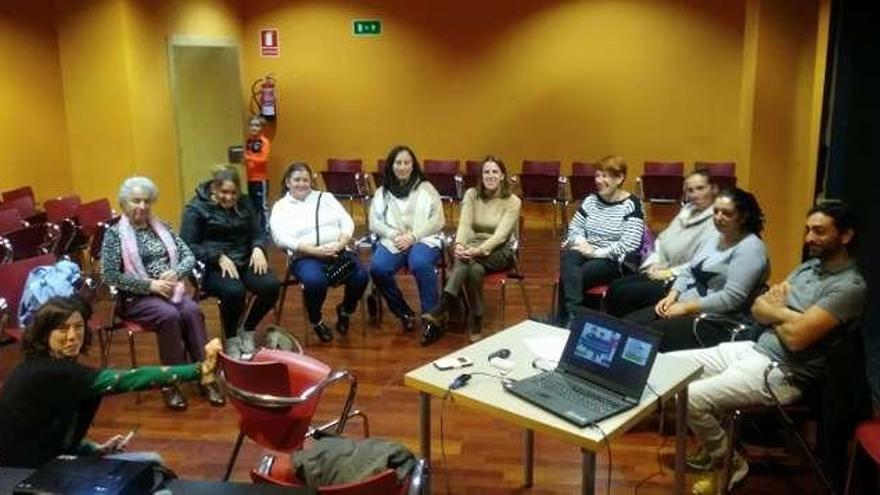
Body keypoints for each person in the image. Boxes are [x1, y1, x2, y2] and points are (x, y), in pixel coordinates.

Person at [673, 202, 865, 494]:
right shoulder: (808, 267)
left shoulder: (849, 288)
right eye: (808, 230)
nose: (809, 238)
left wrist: (778, 312)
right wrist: (791, 316)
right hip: (753, 348)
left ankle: (730, 464)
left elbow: (797, 339)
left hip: (784, 372)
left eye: (819, 231)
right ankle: (718, 445)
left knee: (691, 399)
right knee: (669, 369)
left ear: (846, 236)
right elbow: (758, 307)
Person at [0, 296, 222, 468]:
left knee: (152, 460)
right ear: (44, 334)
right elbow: (126, 380)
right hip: (30, 474)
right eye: (61, 329)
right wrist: (200, 369)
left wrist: (94, 448)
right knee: (153, 469)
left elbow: (50, 430)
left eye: (77, 327)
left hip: (49, 459)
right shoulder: (48, 372)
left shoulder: (49, 367)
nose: (71, 336)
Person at [101, 176, 223, 410]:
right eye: (136, 201)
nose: (142, 207)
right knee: (169, 316)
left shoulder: (162, 227)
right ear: (124, 203)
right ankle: (170, 382)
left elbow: (188, 256)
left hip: (171, 292)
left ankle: (205, 374)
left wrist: (176, 272)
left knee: (192, 311)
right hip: (136, 298)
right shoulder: (114, 235)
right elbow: (109, 276)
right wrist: (150, 285)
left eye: (147, 201)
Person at [624, 187, 769, 351]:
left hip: (715, 319)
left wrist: (685, 307)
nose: (718, 217)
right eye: (716, 211)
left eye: (727, 213)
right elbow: (689, 269)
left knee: (644, 338)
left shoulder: (751, 248)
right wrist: (672, 296)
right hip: (684, 305)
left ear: (743, 217)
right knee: (626, 326)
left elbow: (731, 298)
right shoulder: (716, 235)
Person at [180, 165, 281, 359]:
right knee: (234, 291)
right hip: (210, 266)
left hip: (243, 259)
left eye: (234, 192)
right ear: (214, 189)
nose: (230, 197)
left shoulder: (244, 203)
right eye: (224, 192)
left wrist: (258, 247)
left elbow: (258, 232)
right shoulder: (195, 209)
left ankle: (248, 329)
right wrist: (217, 255)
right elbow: (187, 245)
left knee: (271, 286)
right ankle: (232, 337)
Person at [421, 156, 522, 344]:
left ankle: (443, 305)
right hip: (473, 249)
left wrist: (477, 251)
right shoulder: (471, 194)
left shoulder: (513, 201)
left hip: (501, 251)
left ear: (502, 176)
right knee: (474, 269)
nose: (490, 176)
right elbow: (465, 225)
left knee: (469, 261)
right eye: (486, 172)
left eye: (494, 172)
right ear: (481, 176)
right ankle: (476, 317)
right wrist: (460, 245)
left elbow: (500, 236)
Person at [271, 162, 369, 342]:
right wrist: (313, 250)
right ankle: (316, 320)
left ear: (311, 181)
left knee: (361, 276)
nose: (302, 184)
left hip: (336, 250)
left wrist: (341, 243)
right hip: (305, 256)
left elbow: (347, 221)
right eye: (297, 180)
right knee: (316, 282)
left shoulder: (326, 198)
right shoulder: (281, 206)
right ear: (287, 182)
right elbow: (279, 237)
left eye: (305, 180)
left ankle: (346, 311)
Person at [606, 170, 718, 317]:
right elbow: (665, 240)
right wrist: (654, 263)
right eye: (690, 190)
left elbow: (701, 262)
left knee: (623, 293)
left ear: (713, 189)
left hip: (684, 280)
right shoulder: (687, 210)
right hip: (664, 269)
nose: (695, 194)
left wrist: (669, 273)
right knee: (615, 286)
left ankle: (627, 328)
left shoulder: (719, 218)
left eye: (700, 188)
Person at [556, 155, 645, 327]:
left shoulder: (632, 204)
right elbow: (574, 229)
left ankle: (566, 320)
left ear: (619, 178)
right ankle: (574, 316)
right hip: (586, 250)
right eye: (597, 175)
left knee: (574, 276)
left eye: (605, 176)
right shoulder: (591, 200)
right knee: (568, 259)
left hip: (614, 260)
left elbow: (630, 243)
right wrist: (582, 242)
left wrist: (596, 252)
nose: (599, 180)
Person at [369, 145, 445, 337]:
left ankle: (432, 318)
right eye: (398, 162)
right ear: (391, 166)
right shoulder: (382, 192)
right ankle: (403, 312)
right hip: (394, 239)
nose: (402, 166)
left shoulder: (426, 188)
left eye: (406, 162)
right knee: (378, 268)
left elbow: (438, 219)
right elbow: (374, 222)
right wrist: (394, 235)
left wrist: (413, 237)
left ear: (413, 165)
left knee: (420, 263)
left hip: (423, 239)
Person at [244, 115, 271, 231]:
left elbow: (263, 159)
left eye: (257, 125)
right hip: (248, 179)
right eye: (251, 125)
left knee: (262, 207)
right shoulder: (247, 141)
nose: (254, 128)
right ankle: (254, 230)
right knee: (251, 207)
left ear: (261, 128)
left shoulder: (264, 142)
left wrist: (247, 157)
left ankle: (266, 230)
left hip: (260, 180)